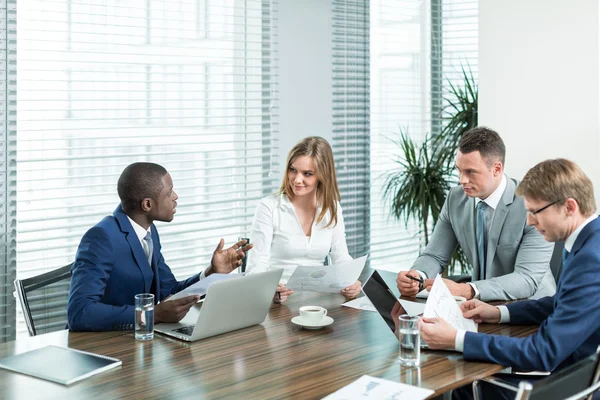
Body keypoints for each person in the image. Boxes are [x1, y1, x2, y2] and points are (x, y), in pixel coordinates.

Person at [420, 158, 600, 400]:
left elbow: (542, 352)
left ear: (569, 207)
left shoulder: (590, 259)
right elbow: (563, 302)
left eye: (535, 211)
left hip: (575, 386)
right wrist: (501, 313)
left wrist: (457, 338)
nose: (529, 221)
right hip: (581, 375)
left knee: (467, 387)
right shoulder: (588, 241)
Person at [68, 162, 252, 331]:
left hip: (140, 342)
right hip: (103, 346)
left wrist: (211, 274)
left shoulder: (149, 232)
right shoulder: (102, 237)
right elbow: (80, 312)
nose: (175, 196)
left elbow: (169, 292)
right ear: (147, 204)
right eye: (169, 192)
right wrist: (151, 314)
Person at [397, 127, 555, 301]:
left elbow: (526, 279)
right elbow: (434, 255)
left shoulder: (532, 206)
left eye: (470, 172)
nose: (462, 180)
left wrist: (467, 290)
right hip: (479, 307)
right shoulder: (455, 199)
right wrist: (417, 276)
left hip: (531, 308)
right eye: (459, 170)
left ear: (496, 169)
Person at [246, 136, 361, 303]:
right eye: (293, 170)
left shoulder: (332, 208)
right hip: (279, 302)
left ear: (322, 176)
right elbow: (256, 265)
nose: (297, 179)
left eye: (307, 173)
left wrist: (352, 282)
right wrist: (268, 289)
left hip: (321, 301)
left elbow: (341, 257)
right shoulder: (269, 206)